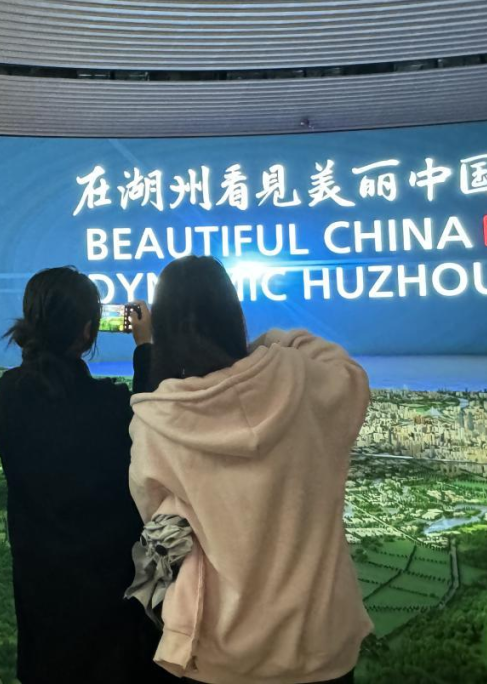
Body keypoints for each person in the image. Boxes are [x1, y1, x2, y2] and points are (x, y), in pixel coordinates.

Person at [128, 255, 372, 684]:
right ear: (234, 316)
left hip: (219, 652)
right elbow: (350, 375)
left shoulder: (156, 421)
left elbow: (160, 525)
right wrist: (271, 341)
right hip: (320, 645)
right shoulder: (303, 382)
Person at [0, 266, 170, 684]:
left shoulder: (9, 399)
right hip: (110, 602)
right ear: (88, 331)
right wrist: (146, 347)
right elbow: (152, 422)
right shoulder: (108, 407)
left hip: (42, 597)